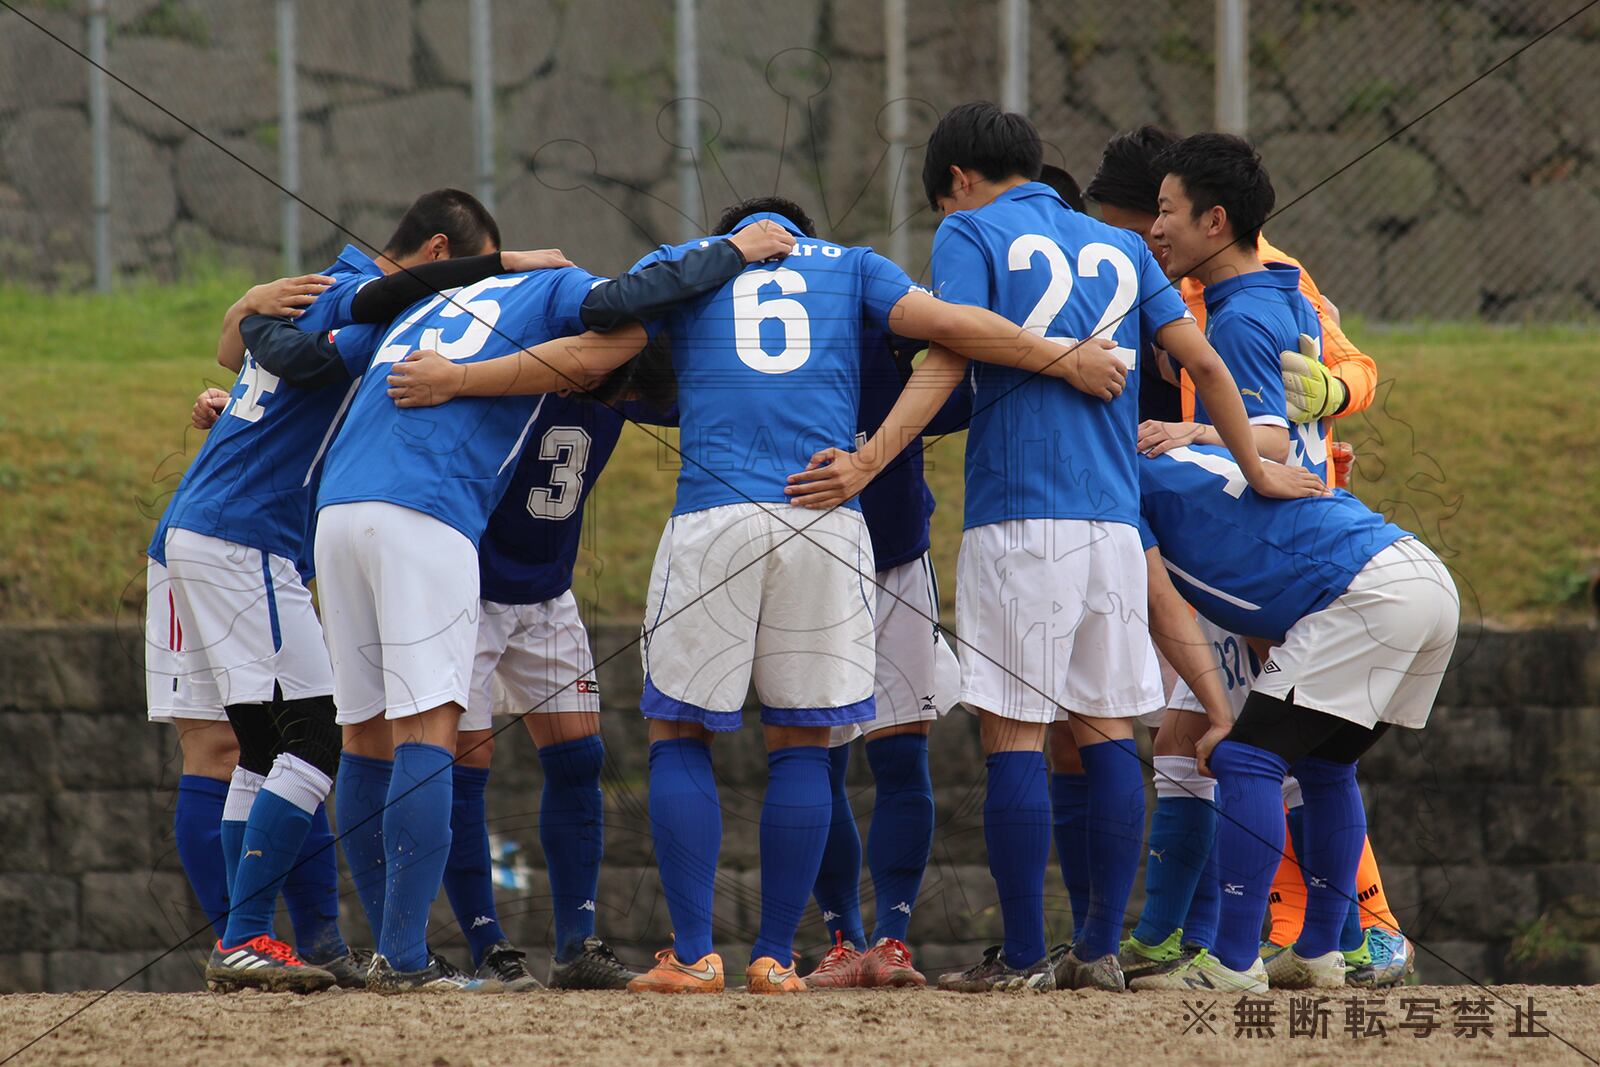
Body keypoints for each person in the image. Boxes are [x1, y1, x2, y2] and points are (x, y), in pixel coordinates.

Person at [387, 196, 1139, 994]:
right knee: (804, 743)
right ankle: (776, 956)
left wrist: (457, 377)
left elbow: (586, 355)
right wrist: (1064, 357)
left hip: (715, 516)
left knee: (680, 734)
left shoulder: (697, 267)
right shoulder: (854, 267)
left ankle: (695, 954)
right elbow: (955, 329)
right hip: (827, 519)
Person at [308, 214, 798, 993]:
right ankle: (453, 949)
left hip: (448, 550)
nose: (608, 387)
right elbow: (617, 314)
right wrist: (734, 251)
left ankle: (550, 944)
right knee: (441, 746)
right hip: (451, 552)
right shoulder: (547, 328)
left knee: (524, 750)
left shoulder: (462, 315)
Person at [905, 101, 1326, 995]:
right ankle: (1098, 948)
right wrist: (1258, 462)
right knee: (1106, 730)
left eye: (944, 198)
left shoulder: (969, 231)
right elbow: (1204, 366)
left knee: (1014, 733)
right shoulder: (1122, 249)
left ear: (959, 180)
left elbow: (950, 343)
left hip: (1020, 512)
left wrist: (874, 455)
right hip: (1114, 521)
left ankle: (1024, 955)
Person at [1093, 131, 1406, 987]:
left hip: (1278, 534)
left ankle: (1356, 931)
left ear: (1204, 218)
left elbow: (1351, 369)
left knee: (1273, 747)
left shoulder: (1263, 285)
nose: (1138, 241)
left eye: (1145, 221)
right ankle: (1202, 937)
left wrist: (1326, 394)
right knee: (1202, 737)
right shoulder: (1180, 282)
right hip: (1232, 518)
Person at [1123, 444, 1457, 992]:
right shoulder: (1183, 461)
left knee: (1245, 759)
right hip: (1424, 576)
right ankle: (1321, 953)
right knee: (1324, 765)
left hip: (1368, 592)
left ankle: (1233, 963)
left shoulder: (1113, 482)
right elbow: (1266, 602)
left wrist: (1221, 719)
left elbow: (1164, 608)